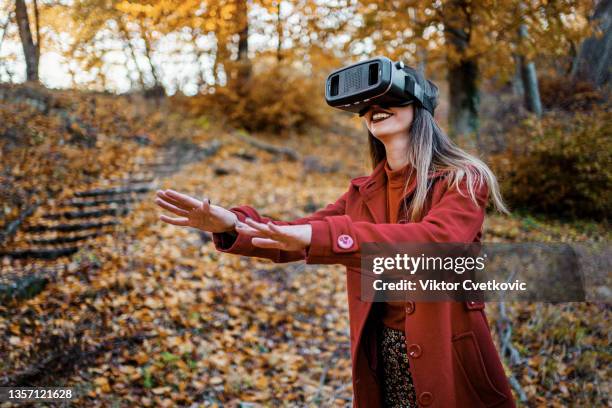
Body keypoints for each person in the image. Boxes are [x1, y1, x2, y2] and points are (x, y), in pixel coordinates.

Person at [154, 65, 516, 407]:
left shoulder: (463, 178)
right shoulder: (363, 193)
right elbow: (292, 233)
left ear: (419, 106)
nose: (375, 109)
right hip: (383, 351)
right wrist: (230, 224)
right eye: (367, 105)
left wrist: (329, 235)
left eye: (388, 99)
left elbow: (435, 241)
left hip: (448, 354)